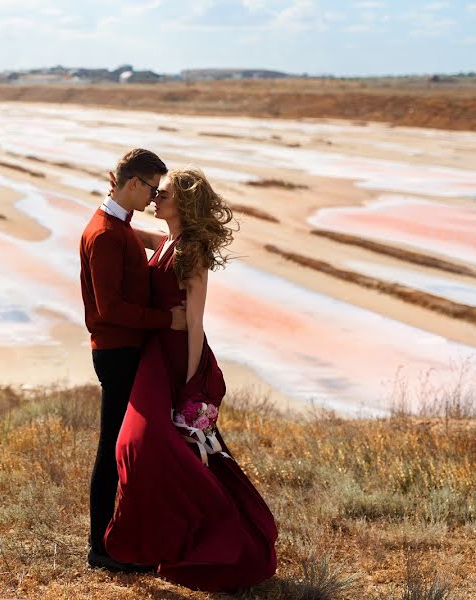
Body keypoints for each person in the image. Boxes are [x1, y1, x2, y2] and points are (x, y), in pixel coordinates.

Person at [104, 167, 278, 592]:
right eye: (154, 192)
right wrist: (114, 204)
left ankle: (222, 540)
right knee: (144, 446)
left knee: (157, 446)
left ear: (182, 203)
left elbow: (196, 322)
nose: (155, 198)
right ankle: (172, 540)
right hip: (156, 358)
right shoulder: (169, 242)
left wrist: (191, 384)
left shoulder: (192, 252)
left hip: (179, 361)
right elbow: (124, 234)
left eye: (162, 194)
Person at [78, 148, 187, 572]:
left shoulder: (115, 224)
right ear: (133, 183)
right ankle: (100, 550)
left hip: (122, 349)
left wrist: (158, 241)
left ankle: (118, 538)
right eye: (153, 188)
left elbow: (126, 237)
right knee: (112, 451)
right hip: (117, 352)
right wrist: (168, 319)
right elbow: (110, 309)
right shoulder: (106, 234)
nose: (155, 198)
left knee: (127, 448)